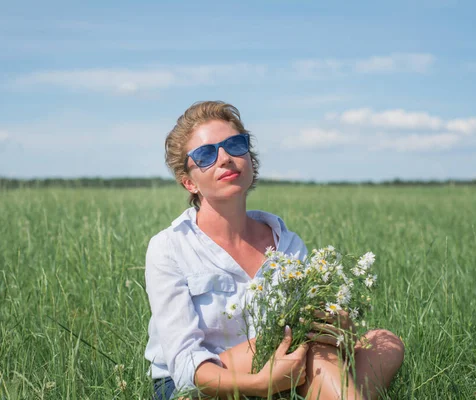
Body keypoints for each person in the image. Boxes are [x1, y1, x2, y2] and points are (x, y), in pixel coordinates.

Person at [144, 101, 404, 399]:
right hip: (200, 383)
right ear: (189, 182)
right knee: (310, 350)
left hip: (284, 363)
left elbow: (308, 326)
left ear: (250, 159)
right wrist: (261, 383)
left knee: (384, 342)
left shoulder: (287, 243)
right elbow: (185, 364)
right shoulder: (169, 248)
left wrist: (337, 329)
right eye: (206, 154)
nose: (226, 158)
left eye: (235, 145)